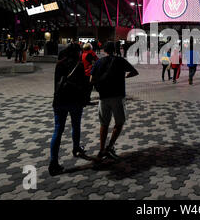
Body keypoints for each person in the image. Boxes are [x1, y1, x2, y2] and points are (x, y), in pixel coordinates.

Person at [91, 42, 139, 161]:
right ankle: (110, 146)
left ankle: (102, 149)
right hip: (118, 96)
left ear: (104, 50)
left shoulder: (99, 62)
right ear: (115, 50)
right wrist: (123, 77)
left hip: (103, 97)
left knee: (104, 124)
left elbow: (91, 79)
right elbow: (134, 72)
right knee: (119, 122)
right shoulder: (120, 60)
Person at [49, 44, 89, 176]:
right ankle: (76, 148)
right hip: (75, 101)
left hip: (59, 101)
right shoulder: (79, 65)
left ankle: (53, 162)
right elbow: (83, 84)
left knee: (58, 130)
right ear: (77, 52)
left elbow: (56, 83)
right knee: (75, 125)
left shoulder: (59, 64)